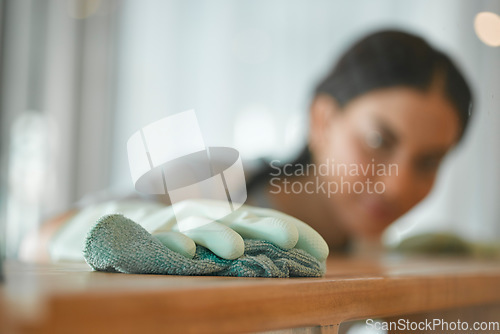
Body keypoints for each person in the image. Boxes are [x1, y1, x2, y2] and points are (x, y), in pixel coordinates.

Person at [20, 29, 473, 262]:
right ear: (322, 119)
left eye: (429, 161)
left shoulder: (370, 251)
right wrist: (146, 231)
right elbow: (39, 241)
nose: (397, 186)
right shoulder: (216, 182)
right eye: (378, 141)